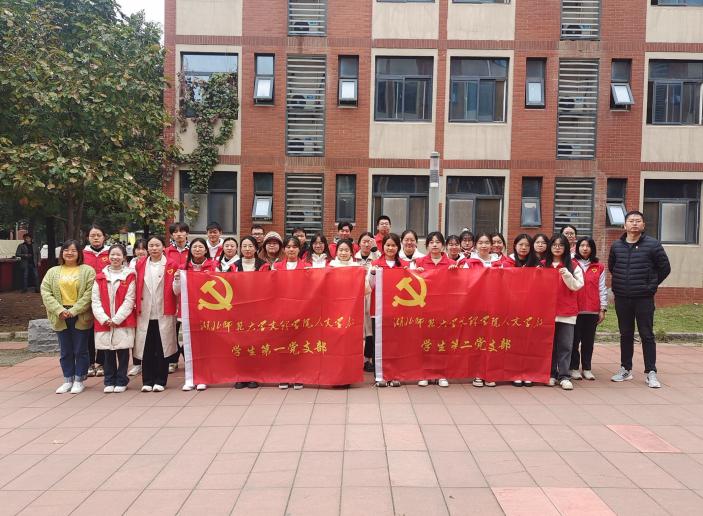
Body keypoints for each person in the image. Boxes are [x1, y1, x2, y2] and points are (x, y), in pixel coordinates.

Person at [608, 210, 671, 388]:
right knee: (625, 333)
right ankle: (625, 369)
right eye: (631, 221)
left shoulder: (653, 245)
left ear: (643, 225)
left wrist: (650, 285)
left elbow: (665, 268)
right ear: (624, 225)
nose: (634, 223)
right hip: (622, 297)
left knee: (647, 334)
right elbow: (613, 267)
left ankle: (651, 372)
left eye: (638, 221)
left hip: (644, 298)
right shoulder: (616, 246)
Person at [40, 240, 96, 394]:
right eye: (66, 250)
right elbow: (45, 292)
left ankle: (79, 380)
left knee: (80, 350)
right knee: (65, 351)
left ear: (79, 253)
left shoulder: (88, 271)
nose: (69, 253)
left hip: (80, 314)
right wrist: (59, 310)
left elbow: (89, 294)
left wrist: (74, 310)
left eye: (73, 250)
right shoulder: (52, 271)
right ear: (62, 253)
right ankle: (67, 379)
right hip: (60, 315)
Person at [134, 236, 178, 392]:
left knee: (162, 347)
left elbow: (176, 290)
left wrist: (177, 280)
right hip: (145, 311)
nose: (154, 248)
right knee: (146, 347)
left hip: (164, 311)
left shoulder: (171, 264)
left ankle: (160, 380)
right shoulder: (140, 264)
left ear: (163, 247)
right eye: (151, 245)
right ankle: (147, 380)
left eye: (157, 245)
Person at [414, 232, 457, 388]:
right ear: (427, 245)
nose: (434, 245)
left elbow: (458, 286)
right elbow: (412, 283)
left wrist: (455, 273)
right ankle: (424, 373)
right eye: (431, 242)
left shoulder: (451, 263)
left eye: (438, 242)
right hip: (425, 308)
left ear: (443, 245)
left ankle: (441, 374)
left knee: (442, 341)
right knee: (425, 341)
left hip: (444, 309)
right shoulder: (419, 262)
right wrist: (415, 273)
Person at [91, 244, 136, 393]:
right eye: (112, 255)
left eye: (118, 255)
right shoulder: (100, 277)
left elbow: (130, 300)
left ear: (124, 257)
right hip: (104, 321)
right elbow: (95, 301)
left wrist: (116, 319)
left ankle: (122, 380)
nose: (115, 257)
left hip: (122, 320)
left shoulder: (130, 276)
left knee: (123, 353)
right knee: (107, 352)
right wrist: (104, 318)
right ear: (108, 257)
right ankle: (109, 380)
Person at [543, 234, 584, 391]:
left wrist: (567, 274)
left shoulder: (573, 266)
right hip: (547, 313)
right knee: (549, 346)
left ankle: (564, 376)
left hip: (567, 312)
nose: (557, 247)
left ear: (566, 248)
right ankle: (551, 374)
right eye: (554, 244)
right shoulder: (542, 265)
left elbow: (577, 286)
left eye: (561, 245)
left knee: (566, 345)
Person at [368, 233, 408, 388]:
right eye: (388, 245)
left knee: (397, 343)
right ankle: (380, 376)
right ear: (383, 246)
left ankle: (395, 374)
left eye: (393, 245)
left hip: (399, 310)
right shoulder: (375, 264)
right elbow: (370, 286)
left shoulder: (404, 265)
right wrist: (372, 273)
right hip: (379, 310)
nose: (390, 248)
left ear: (398, 247)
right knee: (379, 343)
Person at [272, 236, 307, 390]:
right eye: (288, 247)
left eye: (294, 247)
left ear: (299, 249)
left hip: (301, 311)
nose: (291, 249)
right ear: (284, 249)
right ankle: (284, 376)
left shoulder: (307, 266)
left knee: (299, 345)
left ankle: (298, 376)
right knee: (283, 345)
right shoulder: (276, 267)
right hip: (282, 311)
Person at [570, 237, 607, 381]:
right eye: (582, 245)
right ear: (577, 247)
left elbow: (602, 288)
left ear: (592, 249)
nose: (585, 248)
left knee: (588, 341)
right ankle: (573, 368)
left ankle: (587, 368)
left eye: (588, 246)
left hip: (592, 310)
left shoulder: (599, 267)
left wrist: (602, 309)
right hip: (575, 309)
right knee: (574, 341)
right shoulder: (571, 263)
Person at [504, 234, 538, 387]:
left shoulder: (538, 264)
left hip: (532, 308)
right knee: (514, 341)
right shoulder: (507, 263)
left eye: (527, 245)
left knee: (529, 341)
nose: (523, 248)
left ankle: (528, 372)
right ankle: (515, 373)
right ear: (515, 246)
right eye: (520, 245)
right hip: (512, 308)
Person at [231, 236, 263, 390]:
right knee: (239, 344)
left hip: (258, 311)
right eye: (244, 246)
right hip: (238, 311)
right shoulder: (233, 267)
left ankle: (253, 376)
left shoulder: (264, 266)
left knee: (255, 344)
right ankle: (240, 376)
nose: (247, 249)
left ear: (256, 248)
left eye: (250, 246)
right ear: (240, 248)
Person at [83, 224, 109, 378]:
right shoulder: (83, 254)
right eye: (93, 235)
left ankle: (102, 362)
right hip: (86, 297)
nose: (96, 238)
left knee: (103, 329)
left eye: (99, 235)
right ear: (88, 238)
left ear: (104, 237)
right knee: (88, 330)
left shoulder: (110, 253)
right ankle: (89, 363)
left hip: (106, 297)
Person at [355, 232, 380, 372]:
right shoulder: (353, 257)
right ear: (359, 243)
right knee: (357, 329)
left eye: (369, 242)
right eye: (364, 241)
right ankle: (355, 359)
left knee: (370, 328)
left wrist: (375, 250)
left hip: (371, 296)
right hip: (355, 297)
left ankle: (367, 359)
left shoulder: (376, 256)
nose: (366, 244)